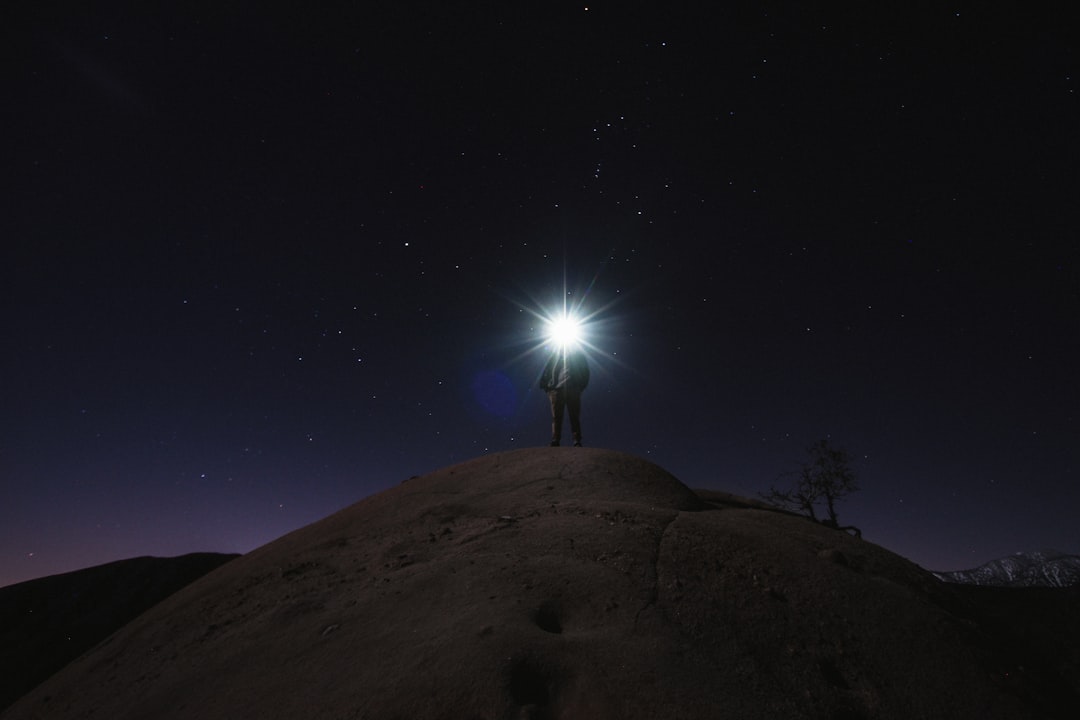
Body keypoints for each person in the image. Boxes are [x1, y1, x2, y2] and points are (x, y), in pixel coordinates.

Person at [539, 345, 589, 446]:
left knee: (574, 416)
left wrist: (580, 387)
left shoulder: (579, 357)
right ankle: (555, 440)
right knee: (556, 417)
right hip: (556, 390)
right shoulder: (554, 358)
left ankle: (576, 440)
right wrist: (547, 388)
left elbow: (585, 372)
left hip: (573, 389)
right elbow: (546, 372)